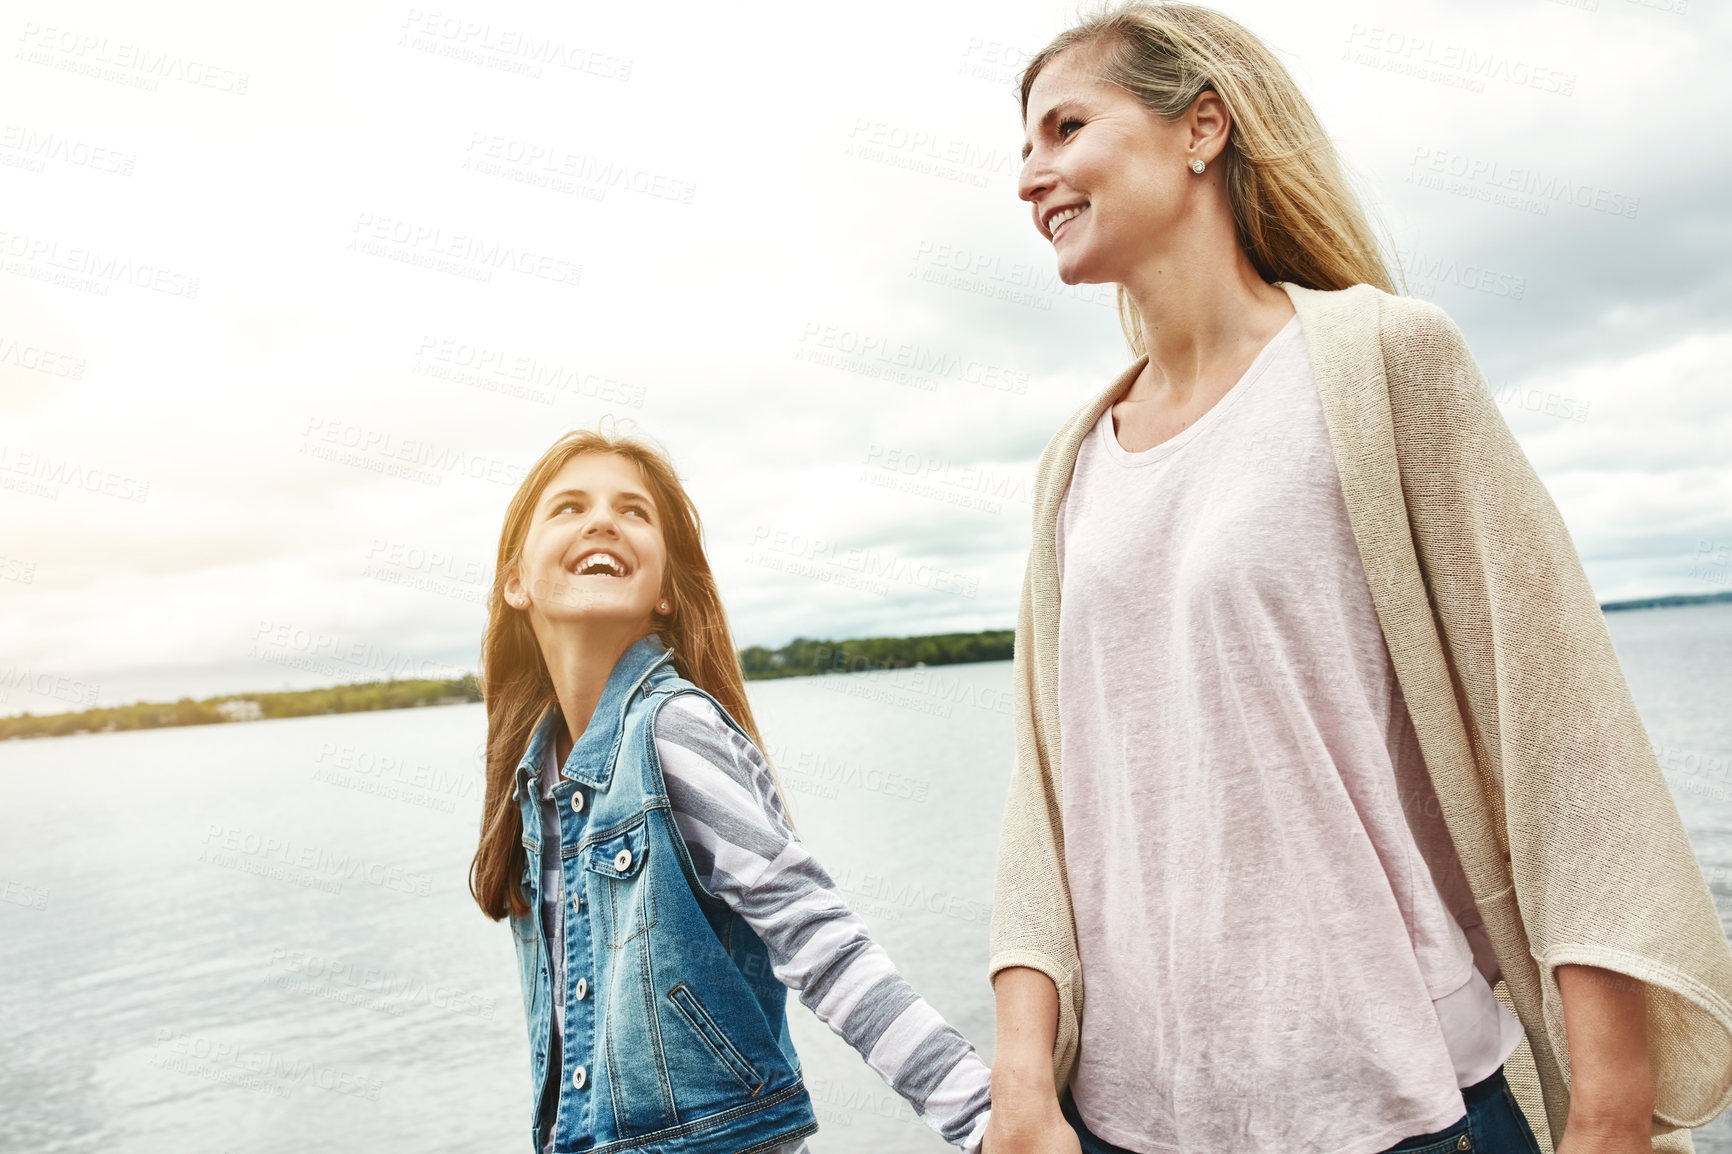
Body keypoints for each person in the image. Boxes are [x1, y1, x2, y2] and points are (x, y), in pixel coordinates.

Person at [982, 5, 1732, 1154]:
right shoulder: (1071, 463)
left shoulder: (1381, 362)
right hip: (1126, 1120)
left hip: (1393, 1107)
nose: (1030, 176)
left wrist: (1609, 1111)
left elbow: (1563, 743)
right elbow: (1046, 802)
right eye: (1023, 149)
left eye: (1063, 127)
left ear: (1204, 128)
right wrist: (1024, 1085)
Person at [468, 428, 993, 1154]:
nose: (601, 521)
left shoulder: (672, 730)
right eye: (569, 507)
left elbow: (818, 938)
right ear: (516, 582)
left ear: (666, 595)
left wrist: (981, 1118)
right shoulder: (536, 779)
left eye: (633, 511)